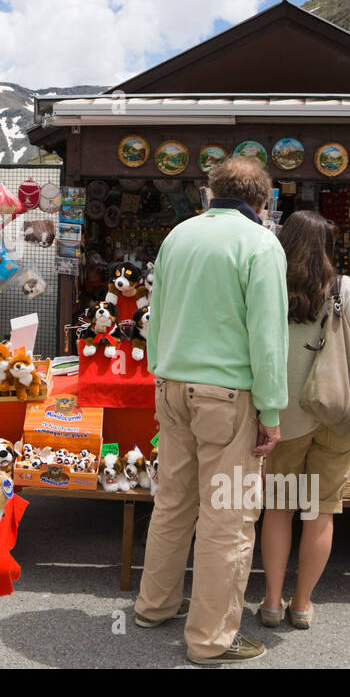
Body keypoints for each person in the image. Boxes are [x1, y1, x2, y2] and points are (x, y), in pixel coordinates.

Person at [133, 157, 288, 664]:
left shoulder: (177, 236)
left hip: (172, 385)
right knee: (229, 520)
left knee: (173, 501)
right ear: (262, 203)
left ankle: (154, 605)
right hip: (228, 395)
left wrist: (162, 367)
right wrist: (271, 409)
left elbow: (154, 315)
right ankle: (210, 640)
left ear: (209, 193)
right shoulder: (261, 244)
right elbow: (268, 337)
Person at [259, 210, 350, 629]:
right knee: (320, 510)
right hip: (334, 410)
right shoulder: (345, 288)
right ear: (329, 246)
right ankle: (302, 604)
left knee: (277, 508)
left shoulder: (268, 283)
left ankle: (271, 603)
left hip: (282, 415)